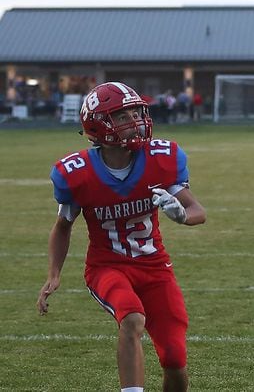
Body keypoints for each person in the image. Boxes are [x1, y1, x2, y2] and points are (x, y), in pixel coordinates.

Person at [37, 81, 206, 392]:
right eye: (124, 115)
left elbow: (198, 211)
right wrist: (54, 274)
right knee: (131, 318)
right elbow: (63, 225)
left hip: (155, 268)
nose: (136, 121)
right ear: (99, 124)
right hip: (107, 267)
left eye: (136, 112)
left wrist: (181, 215)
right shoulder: (77, 173)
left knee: (175, 358)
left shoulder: (161, 158)